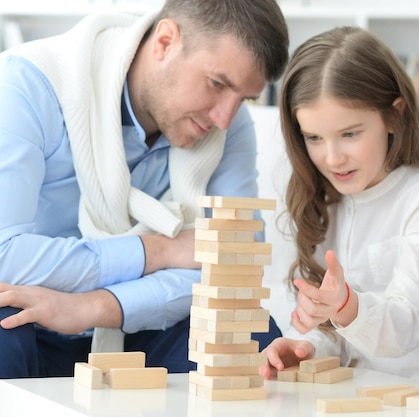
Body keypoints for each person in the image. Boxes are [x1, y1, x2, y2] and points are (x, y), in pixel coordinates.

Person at [0, 0, 289, 378]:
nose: (224, 118)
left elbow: (235, 264)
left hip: (136, 323)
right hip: (32, 322)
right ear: (165, 42)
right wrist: (162, 250)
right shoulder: (27, 85)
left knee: (254, 337)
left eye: (244, 98)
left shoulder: (229, 127)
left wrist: (99, 307)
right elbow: (5, 254)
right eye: (217, 84)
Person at [259, 26, 419, 382]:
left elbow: (407, 324)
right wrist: (307, 347)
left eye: (350, 134)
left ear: (394, 115)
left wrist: (345, 306)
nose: (333, 158)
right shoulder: (327, 203)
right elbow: (344, 337)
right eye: (314, 138)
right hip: (362, 391)